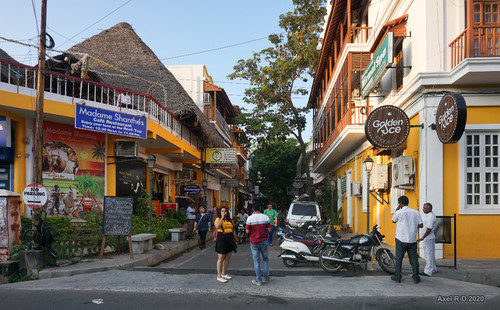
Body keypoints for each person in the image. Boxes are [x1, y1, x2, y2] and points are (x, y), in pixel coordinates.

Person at [391, 195, 423, 283]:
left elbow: (393, 220)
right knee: (414, 259)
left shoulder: (399, 212)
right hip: (412, 239)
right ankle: (416, 277)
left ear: (400, 203)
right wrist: (412, 225)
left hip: (401, 239)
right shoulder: (416, 212)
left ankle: (397, 277)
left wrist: (397, 209)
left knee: (399, 259)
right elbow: (421, 225)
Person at [246, 201, 272, 286]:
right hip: (264, 241)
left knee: (256, 260)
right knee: (265, 259)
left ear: (253, 209)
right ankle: (266, 277)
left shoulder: (250, 218)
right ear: (260, 208)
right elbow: (269, 230)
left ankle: (259, 280)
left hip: (254, 242)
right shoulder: (265, 217)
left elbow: (247, 231)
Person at [214, 206, 238, 283]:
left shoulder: (230, 220)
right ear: (220, 212)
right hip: (222, 238)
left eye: (225, 211)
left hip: (230, 238)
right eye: (222, 211)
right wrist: (221, 218)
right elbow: (217, 226)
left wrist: (236, 239)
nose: (224, 212)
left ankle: (224, 273)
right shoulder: (218, 219)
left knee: (227, 257)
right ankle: (219, 276)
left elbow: (233, 230)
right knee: (221, 258)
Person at [418, 202, 437, 277]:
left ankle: (428, 271)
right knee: (430, 254)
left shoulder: (430, 217)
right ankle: (433, 268)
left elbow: (429, 229)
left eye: (424, 208)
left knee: (428, 254)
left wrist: (423, 237)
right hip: (428, 238)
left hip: (428, 238)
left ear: (429, 209)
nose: (423, 209)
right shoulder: (429, 216)